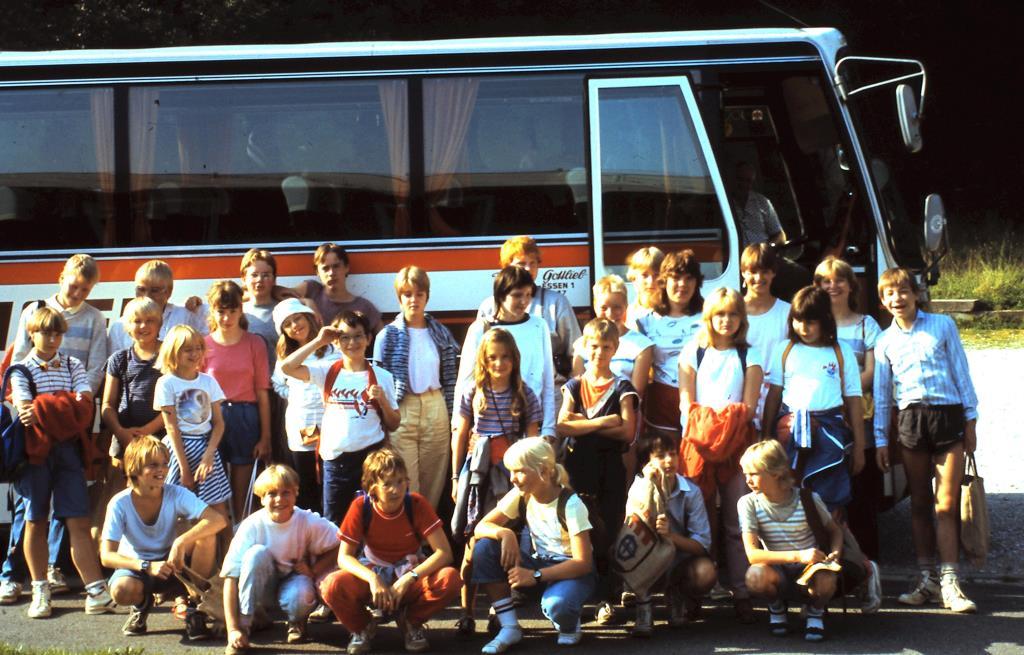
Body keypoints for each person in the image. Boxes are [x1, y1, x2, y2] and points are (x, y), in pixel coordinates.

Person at [873, 267, 979, 613]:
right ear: (883, 300)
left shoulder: (943, 325)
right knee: (919, 504)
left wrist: (970, 420)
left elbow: (960, 371)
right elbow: (882, 393)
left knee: (945, 505)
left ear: (915, 294)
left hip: (947, 418)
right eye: (890, 294)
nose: (897, 299)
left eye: (903, 291)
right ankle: (927, 579)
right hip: (911, 422)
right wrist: (880, 441)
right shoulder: (884, 342)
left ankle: (951, 582)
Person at [2, 254, 107, 602]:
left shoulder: (93, 320)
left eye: (85, 289)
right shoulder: (34, 310)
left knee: (69, 506)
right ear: (61, 277)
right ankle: (13, 573)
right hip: (36, 436)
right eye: (73, 285)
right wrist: (47, 406)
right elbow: (18, 362)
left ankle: (52, 570)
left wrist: (70, 410)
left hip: (70, 431)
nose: (77, 292)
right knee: (30, 509)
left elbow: (92, 375)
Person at [320, 449, 462, 655]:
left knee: (450, 579)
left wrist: (409, 578)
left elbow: (444, 553)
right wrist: (372, 579)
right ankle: (362, 627)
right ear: (372, 488)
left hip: (409, 573)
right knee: (331, 585)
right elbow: (344, 557)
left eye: (400, 481)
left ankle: (411, 622)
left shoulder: (416, 504)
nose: (396, 490)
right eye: (387, 484)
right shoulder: (361, 506)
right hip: (374, 573)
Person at [677, 288, 762, 623]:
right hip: (698, 446)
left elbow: (750, 408)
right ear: (709, 317)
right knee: (699, 523)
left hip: (737, 448)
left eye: (733, 314)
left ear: (742, 318)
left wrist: (720, 426)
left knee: (735, 521)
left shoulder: (749, 355)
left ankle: (741, 590)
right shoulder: (692, 352)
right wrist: (712, 427)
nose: (726, 321)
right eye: (719, 314)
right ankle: (698, 589)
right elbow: (686, 406)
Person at [451, 328, 542, 636]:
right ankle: (466, 611)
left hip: (511, 479)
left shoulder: (524, 393)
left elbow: (533, 440)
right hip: (477, 477)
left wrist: (532, 480)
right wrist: (454, 477)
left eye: (505, 357)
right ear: (483, 360)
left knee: (502, 541)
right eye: (492, 358)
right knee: (470, 541)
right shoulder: (472, 391)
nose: (499, 363)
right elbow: (461, 435)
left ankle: (497, 608)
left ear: (514, 359)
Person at [471, 437, 596, 653]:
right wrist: (505, 532)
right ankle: (510, 627)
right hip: (540, 563)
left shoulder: (571, 504)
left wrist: (535, 576)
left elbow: (583, 563)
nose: (512, 479)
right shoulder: (522, 495)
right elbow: (481, 526)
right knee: (484, 547)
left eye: (519, 471)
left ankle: (569, 620)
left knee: (557, 606)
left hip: (572, 572)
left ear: (544, 472)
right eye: (511, 471)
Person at [279, 311, 400, 524]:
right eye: (344, 337)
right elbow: (288, 367)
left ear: (368, 339)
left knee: (372, 519)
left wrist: (382, 402)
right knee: (334, 523)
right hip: (336, 462)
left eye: (358, 336)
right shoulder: (327, 371)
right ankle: (337, 558)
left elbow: (394, 423)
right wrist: (319, 340)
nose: (352, 342)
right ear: (336, 341)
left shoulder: (382, 376)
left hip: (370, 458)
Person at [100, 437, 226, 639]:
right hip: (138, 568)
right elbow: (106, 556)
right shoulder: (119, 503)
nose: (162, 470)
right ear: (135, 468)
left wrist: (180, 542)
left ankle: (195, 609)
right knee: (121, 590)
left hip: (173, 565)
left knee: (207, 535)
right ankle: (141, 605)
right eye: (153, 465)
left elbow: (218, 520)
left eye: (165, 464)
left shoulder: (176, 493)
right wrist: (146, 566)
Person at [557, 318, 637, 624]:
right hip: (577, 467)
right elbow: (563, 425)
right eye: (594, 346)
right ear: (584, 347)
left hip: (610, 468)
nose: (600, 352)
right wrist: (604, 422)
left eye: (606, 346)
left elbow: (627, 433)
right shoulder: (575, 385)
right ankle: (579, 594)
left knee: (608, 528)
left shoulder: (622, 387)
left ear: (615, 348)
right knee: (578, 528)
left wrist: (583, 426)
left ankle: (606, 597)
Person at [762, 286, 866, 512]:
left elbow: (854, 400)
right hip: (790, 431)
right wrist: (766, 434)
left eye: (810, 322)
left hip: (830, 431)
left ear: (825, 320)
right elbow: (774, 395)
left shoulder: (841, 351)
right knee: (791, 494)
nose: (803, 328)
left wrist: (859, 445)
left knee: (829, 499)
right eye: (798, 321)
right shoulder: (785, 348)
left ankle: (831, 546)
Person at [222, 464, 340, 652]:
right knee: (255, 554)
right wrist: (232, 629)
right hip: (262, 588)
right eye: (271, 493)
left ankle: (296, 621)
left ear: (296, 493)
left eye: (286, 492)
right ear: (261, 498)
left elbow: (341, 542)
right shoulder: (252, 525)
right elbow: (230, 577)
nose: (279, 499)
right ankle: (244, 626)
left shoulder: (306, 520)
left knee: (301, 593)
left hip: (294, 579)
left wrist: (315, 570)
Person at [814, 256, 884, 561]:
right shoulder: (813, 325)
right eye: (825, 281)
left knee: (861, 489)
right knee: (828, 491)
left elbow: (874, 371)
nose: (832, 286)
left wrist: (842, 390)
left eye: (839, 279)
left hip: (860, 417)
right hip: (825, 420)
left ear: (850, 285)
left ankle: (867, 560)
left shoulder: (866, 324)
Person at [739, 440, 842, 642]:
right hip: (778, 570)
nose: (748, 480)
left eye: (753, 473)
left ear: (775, 472)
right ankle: (776, 607)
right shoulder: (748, 502)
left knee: (828, 578)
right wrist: (798, 555)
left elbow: (835, 530)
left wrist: (836, 554)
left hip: (810, 569)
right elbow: (752, 555)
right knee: (755, 575)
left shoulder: (808, 498)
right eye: (745, 474)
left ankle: (815, 611)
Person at [375, 265, 460, 508]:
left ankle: (425, 538)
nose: (414, 300)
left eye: (419, 294)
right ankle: (407, 535)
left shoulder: (441, 333)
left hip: (436, 405)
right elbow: (380, 380)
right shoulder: (387, 335)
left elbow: (450, 378)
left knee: (434, 478)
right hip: (403, 408)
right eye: (407, 294)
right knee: (405, 477)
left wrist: (452, 413)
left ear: (427, 297)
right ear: (399, 298)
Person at [625, 434, 715, 636]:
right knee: (632, 552)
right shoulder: (637, 488)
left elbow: (703, 544)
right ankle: (643, 605)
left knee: (705, 572)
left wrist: (671, 536)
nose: (669, 460)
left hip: (678, 558)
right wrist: (650, 487)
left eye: (673, 454)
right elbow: (630, 533)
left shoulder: (691, 491)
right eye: (660, 456)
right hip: (646, 558)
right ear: (646, 462)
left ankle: (678, 593)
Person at [456, 266, 556, 438]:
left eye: (528, 294)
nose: (524, 301)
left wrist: (548, 428)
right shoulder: (481, 328)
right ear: (501, 295)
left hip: (531, 425)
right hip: (490, 427)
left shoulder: (540, 325)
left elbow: (547, 379)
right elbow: (465, 382)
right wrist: (458, 429)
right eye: (517, 295)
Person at [203, 280, 272, 525]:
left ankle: (240, 536)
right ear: (212, 310)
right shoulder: (203, 345)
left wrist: (265, 437)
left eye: (232, 310)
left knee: (243, 495)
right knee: (215, 492)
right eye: (221, 311)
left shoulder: (255, 343)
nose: (226, 317)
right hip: (213, 418)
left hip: (246, 416)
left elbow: (262, 392)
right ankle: (220, 548)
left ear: (241, 310)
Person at [154, 325, 232, 524]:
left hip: (206, 446)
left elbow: (219, 423)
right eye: (188, 349)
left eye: (198, 348)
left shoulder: (208, 381)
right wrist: (184, 469)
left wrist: (208, 456)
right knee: (175, 510)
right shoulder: (166, 383)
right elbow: (171, 427)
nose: (195, 353)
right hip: (178, 450)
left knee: (218, 510)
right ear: (174, 352)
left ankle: (226, 554)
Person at [476, 236, 581, 384]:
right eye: (521, 264)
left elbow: (577, 351)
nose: (528, 269)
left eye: (533, 263)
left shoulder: (556, 303)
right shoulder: (488, 307)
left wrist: (574, 390)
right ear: (506, 266)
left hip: (551, 386)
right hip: (502, 391)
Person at [271, 298, 340, 515]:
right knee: (306, 481)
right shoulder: (285, 355)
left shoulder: (332, 349)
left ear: (308, 317)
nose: (295, 326)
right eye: (288, 323)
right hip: (302, 425)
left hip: (332, 423)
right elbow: (278, 382)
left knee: (331, 480)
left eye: (298, 318)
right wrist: (295, 395)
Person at [635, 250, 704, 440]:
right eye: (676, 278)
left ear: (697, 282)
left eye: (689, 278)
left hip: (702, 398)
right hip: (662, 400)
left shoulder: (709, 316)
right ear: (664, 281)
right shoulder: (645, 321)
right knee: (665, 461)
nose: (682, 284)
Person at [101, 297, 166, 492]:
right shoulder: (119, 359)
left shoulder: (169, 356)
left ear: (159, 323)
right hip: (124, 442)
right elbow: (107, 405)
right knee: (119, 492)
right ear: (127, 326)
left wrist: (147, 432)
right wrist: (121, 433)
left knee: (157, 493)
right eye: (137, 321)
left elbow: (175, 405)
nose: (143, 326)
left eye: (150, 320)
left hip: (160, 440)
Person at [108, 259, 207, 354]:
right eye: (141, 289)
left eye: (154, 290)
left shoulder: (185, 315)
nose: (147, 296)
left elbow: (216, 320)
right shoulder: (119, 326)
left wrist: (198, 305)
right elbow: (113, 366)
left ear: (169, 292)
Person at [742, 244, 791, 431]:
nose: (758, 278)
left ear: (773, 273)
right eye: (752, 271)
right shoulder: (733, 312)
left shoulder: (787, 312)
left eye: (765, 271)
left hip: (777, 400)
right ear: (743, 273)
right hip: (741, 398)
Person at [293, 243, 382, 332]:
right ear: (317, 272)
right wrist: (306, 301)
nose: (331, 273)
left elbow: (386, 340)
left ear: (346, 267)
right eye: (325, 268)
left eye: (336, 266)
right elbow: (281, 294)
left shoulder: (364, 307)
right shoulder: (312, 290)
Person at [239, 248, 283, 369]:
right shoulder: (236, 313)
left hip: (279, 385)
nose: (259, 280)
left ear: (274, 279)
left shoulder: (285, 311)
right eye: (254, 275)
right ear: (244, 278)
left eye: (266, 275)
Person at [730, 162, 786, 247]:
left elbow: (779, 234)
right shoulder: (723, 203)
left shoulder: (762, 202)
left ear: (752, 182)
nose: (744, 184)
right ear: (732, 179)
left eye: (748, 181)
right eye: (740, 179)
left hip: (762, 255)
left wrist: (769, 248)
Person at [624, 246, 664, 330]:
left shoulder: (674, 311)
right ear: (634, 278)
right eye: (644, 275)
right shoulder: (626, 313)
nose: (650, 281)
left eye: (656, 275)